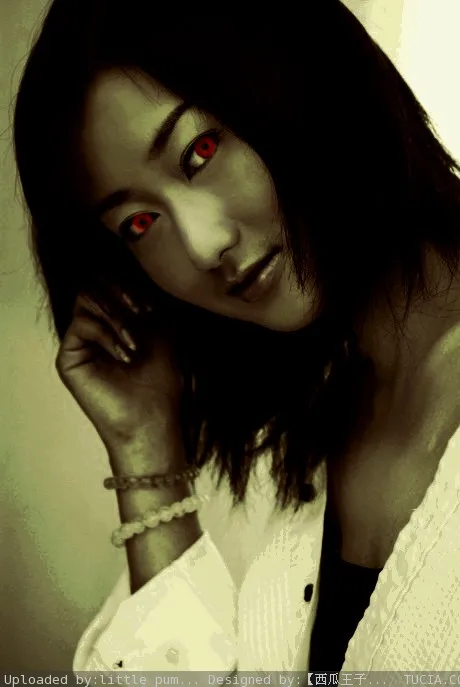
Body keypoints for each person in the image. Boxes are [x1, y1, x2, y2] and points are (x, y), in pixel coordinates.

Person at [13, 0, 460, 673]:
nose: (202, 244)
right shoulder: (265, 449)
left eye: (199, 151)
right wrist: (145, 453)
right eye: (139, 224)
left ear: (304, 69)